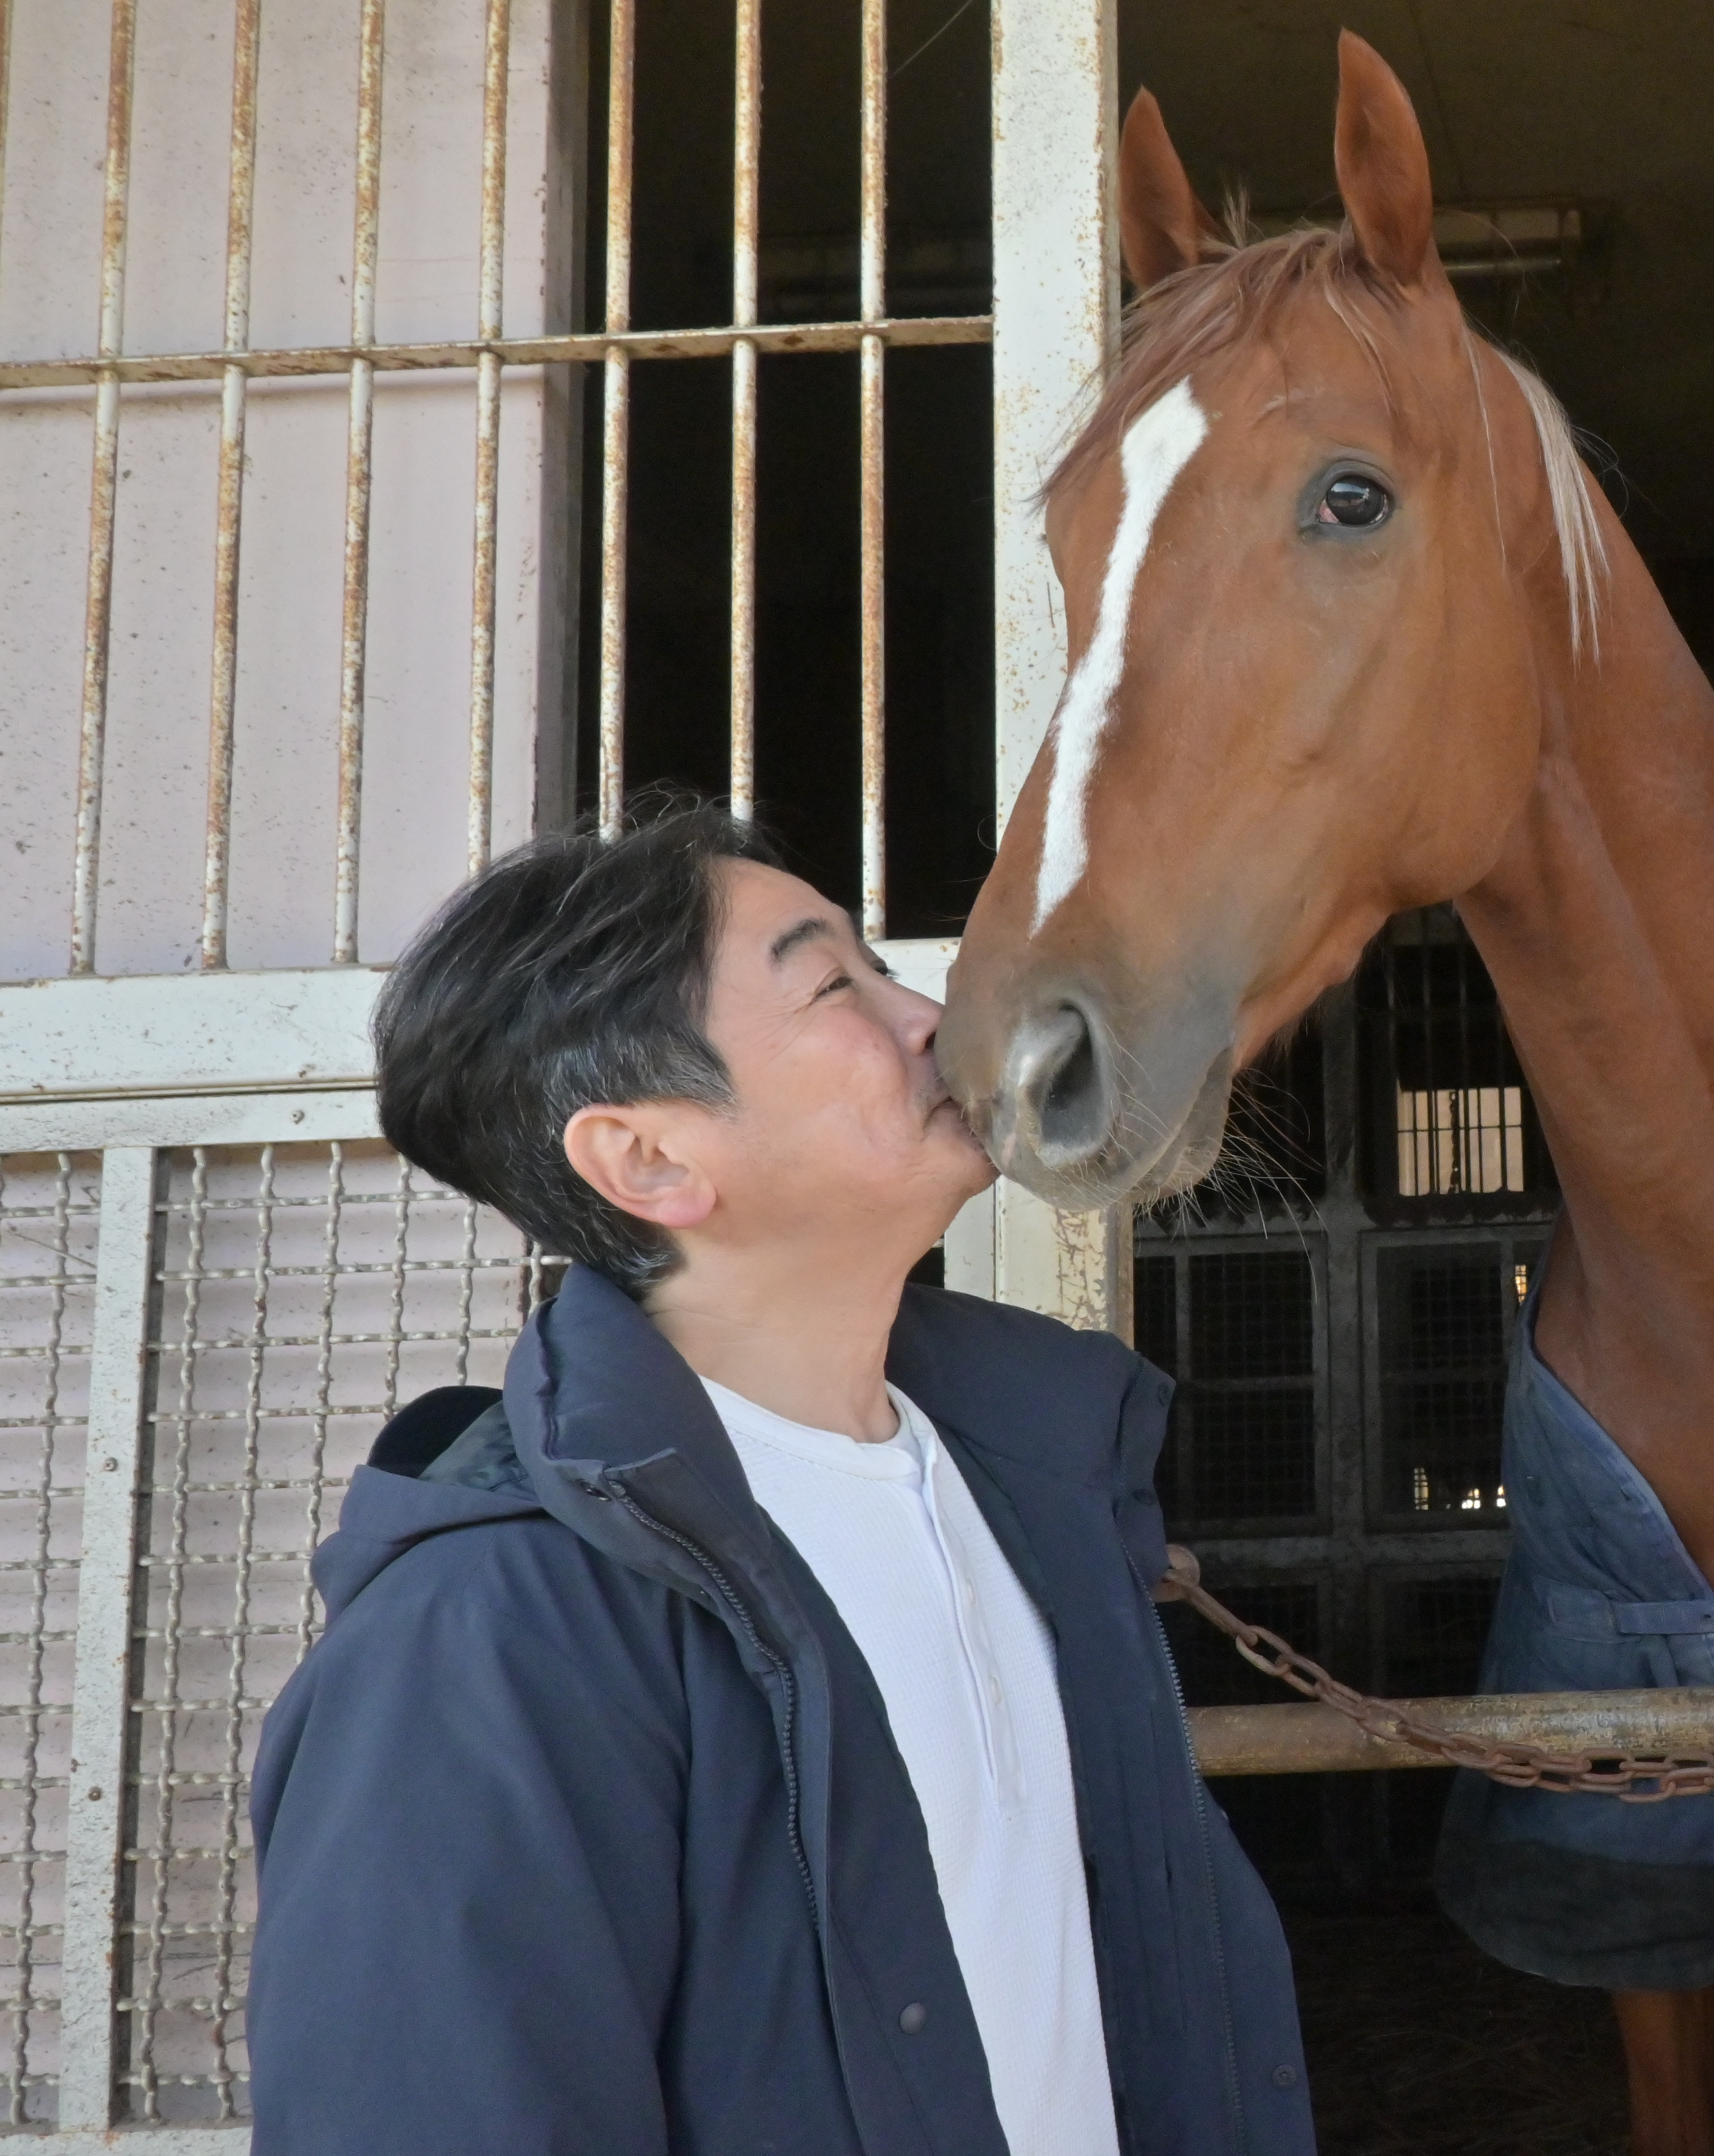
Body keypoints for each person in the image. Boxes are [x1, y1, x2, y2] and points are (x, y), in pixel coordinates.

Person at [247, 807, 1314, 2156]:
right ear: (650, 1159)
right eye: (835, 985)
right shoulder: (488, 1631)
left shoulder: (1030, 1494)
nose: (929, 1012)